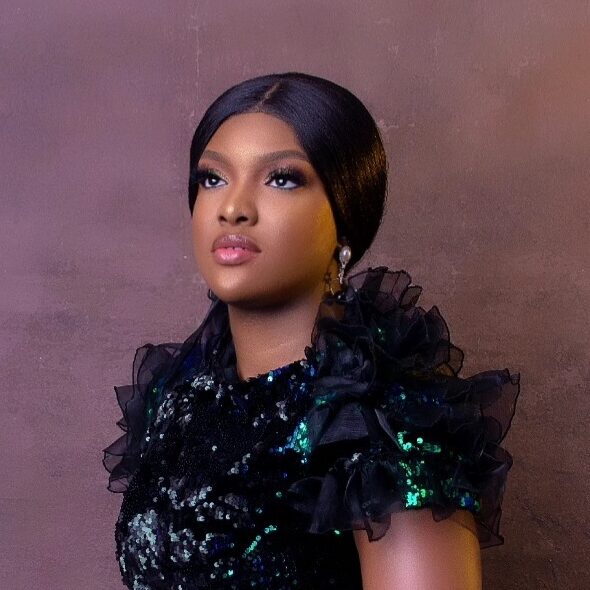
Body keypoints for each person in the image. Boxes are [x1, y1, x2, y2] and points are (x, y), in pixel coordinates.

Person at [103, 72, 520, 589]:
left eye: (281, 179)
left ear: (344, 220)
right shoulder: (184, 401)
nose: (232, 207)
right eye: (213, 178)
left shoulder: (383, 429)